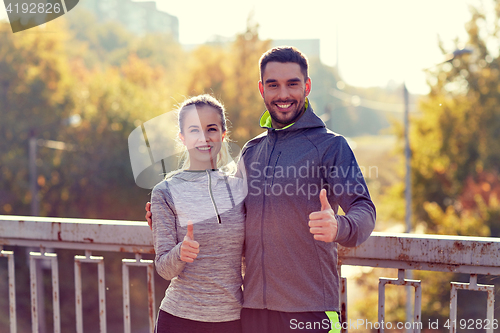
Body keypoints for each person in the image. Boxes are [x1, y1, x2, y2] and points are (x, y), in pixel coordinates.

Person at [147, 47, 376, 333]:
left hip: (309, 310)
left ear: (306, 87)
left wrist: (339, 226)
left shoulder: (331, 146)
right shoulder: (252, 152)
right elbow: (226, 207)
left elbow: (365, 209)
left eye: (292, 83)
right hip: (252, 311)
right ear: (261, 89)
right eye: (273, 85)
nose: (283, 94)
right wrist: (169, 212)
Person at [150, 94, 246, 333]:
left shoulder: (240, 188)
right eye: (194, 130)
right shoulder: (165, 192)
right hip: (179, 319)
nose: (203, 138)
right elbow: (164, 268)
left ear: (223, 135)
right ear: (182, 138)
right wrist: (180, 252)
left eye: (211, 129)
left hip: (233, 320)